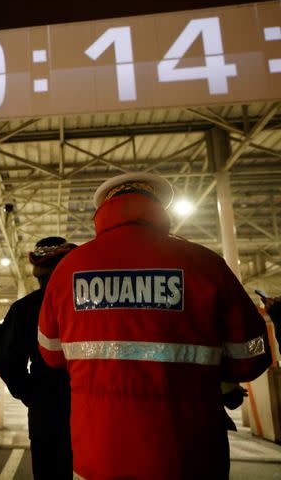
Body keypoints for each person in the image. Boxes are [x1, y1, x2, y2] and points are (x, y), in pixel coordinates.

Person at [38, 172, 272, 480]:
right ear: (159, 208)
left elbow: (51, 352)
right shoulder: (204, 263)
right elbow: (251, 355)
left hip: (98, 454)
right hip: (188, 455)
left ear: (104, 210)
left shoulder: (69, 268)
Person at [0, 236, 76, 479]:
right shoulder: (86, 305)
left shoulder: (24, 308)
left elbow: (6, 359)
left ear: (38, 273)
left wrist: (32, 393)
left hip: (46, 411)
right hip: (89, 408)